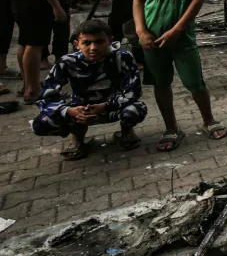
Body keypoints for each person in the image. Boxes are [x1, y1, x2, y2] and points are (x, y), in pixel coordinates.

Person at [133, 0, 227, 151]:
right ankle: (171, 127)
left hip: (182, 38)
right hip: (152, 39)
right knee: (161, 83)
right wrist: (141, 31)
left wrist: (177, 29)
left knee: (195, 82)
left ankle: (208, 120)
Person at [31, 20, 146, 160]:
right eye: (86, 43)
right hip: (80, 112)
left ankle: (126, 132)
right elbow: (44, 98)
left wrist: (104, 106)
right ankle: (77, 138)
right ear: (76, 44)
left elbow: (134, 91)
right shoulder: (66, 62)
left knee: (135, 110)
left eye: (99, 42)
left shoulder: (122, 57)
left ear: (110, 41)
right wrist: (69, 111)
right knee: (41, 123)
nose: (93, 48)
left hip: (111, 108)